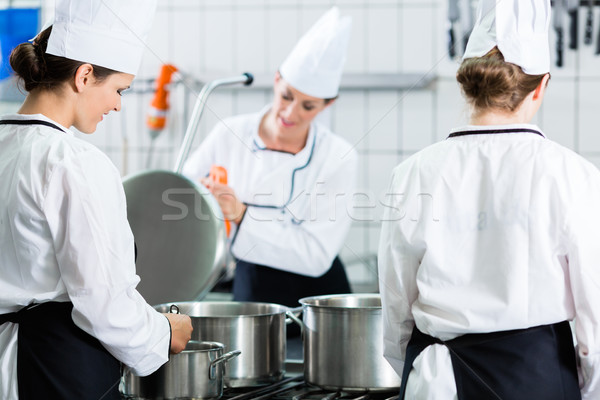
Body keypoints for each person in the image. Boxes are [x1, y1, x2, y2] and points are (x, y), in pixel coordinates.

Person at [378, 0, 600, 399]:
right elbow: (594, 313)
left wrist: (413, 372)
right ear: (542, 85)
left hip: (436, 379)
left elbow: (396, 305)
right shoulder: (574, 176)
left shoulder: (411, 173)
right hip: (538, 378)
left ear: (467, 84)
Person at [0, 1, 193, 399]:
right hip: (53, 372)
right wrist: (164, 333)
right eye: (119, 89)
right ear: (85, 75)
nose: (118, 104)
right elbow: (103, 304)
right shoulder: (73, 162)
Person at [183, 7, 357, 310]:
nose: (290, 113)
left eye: (308, 106)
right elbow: (185, 190)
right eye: (287, 96)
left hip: (319, 300)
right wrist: (206, 197)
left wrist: (240, 213)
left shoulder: (338, 156)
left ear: (328, 104)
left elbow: (315, 255)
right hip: (253, 288)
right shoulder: (229, 133)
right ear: (277, 80)